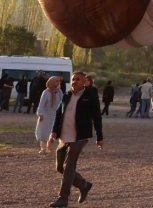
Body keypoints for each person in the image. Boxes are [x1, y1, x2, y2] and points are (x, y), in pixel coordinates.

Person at [47, 71, 103, 207]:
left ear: (85, 81)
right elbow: (58, 115)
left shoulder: (90, 96)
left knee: (69, 168)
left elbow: (97, 117)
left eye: (78, 79)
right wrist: (54, 132)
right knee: (60, 167)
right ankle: (84, 185)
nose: (74, 82)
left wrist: (99, 137)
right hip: (64, 136)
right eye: (73, 79)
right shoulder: (66, 95)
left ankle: (63, 198)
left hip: (79, 137)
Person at [35, 76, 65, 151]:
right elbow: (41, 104)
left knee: (53, 131)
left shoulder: (59, 91)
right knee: (44, 131)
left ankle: (50, 147)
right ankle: (43, 148)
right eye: (56, 81)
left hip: (56, 114)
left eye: (59, 81)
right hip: (46, 115)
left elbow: (62, 102)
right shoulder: (46, 92)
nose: (58, 83)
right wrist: (40, 114)